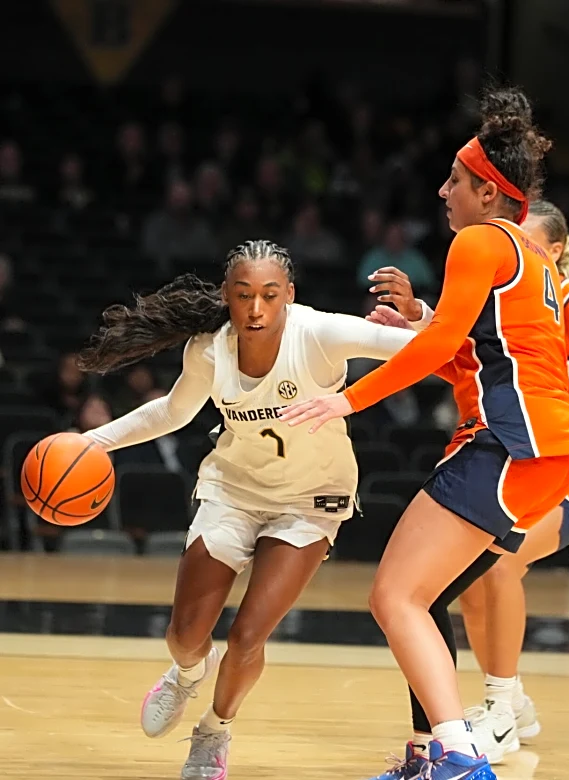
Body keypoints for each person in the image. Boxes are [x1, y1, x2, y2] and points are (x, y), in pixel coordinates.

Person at [280, 87, 569, 780]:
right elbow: (473, 347)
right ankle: (431, 754)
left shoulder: (479, 240)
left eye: (456, 179)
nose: (442, 189)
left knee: (395, 597)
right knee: (418, 598)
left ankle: (457, 754)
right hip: (541, 452)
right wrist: (419, 320)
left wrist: (347, 400)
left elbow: (444, 345)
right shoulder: (527, 254)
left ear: (488, 193)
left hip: (510, 443)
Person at [77, 240, 419, 780]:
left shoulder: (321, 333)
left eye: (268, 295)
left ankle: (214, 732)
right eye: (243, 296)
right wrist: (92, 442)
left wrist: (419, 316)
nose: (256, 309)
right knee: (185, 636)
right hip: (233, 490)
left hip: (310, 501)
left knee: (247, 636)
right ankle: (187, 674)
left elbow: (426, 346)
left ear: (289, 296)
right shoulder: (210, 348)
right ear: (227, 298)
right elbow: (172, 411)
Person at [362, 199, 569, 766]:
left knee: (498, 564)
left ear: (552, 251)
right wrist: (418, 321)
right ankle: (505, 704)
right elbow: (465, 354)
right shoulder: (511, 302)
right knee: (462, 580)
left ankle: (498, 711)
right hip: (515, 455)